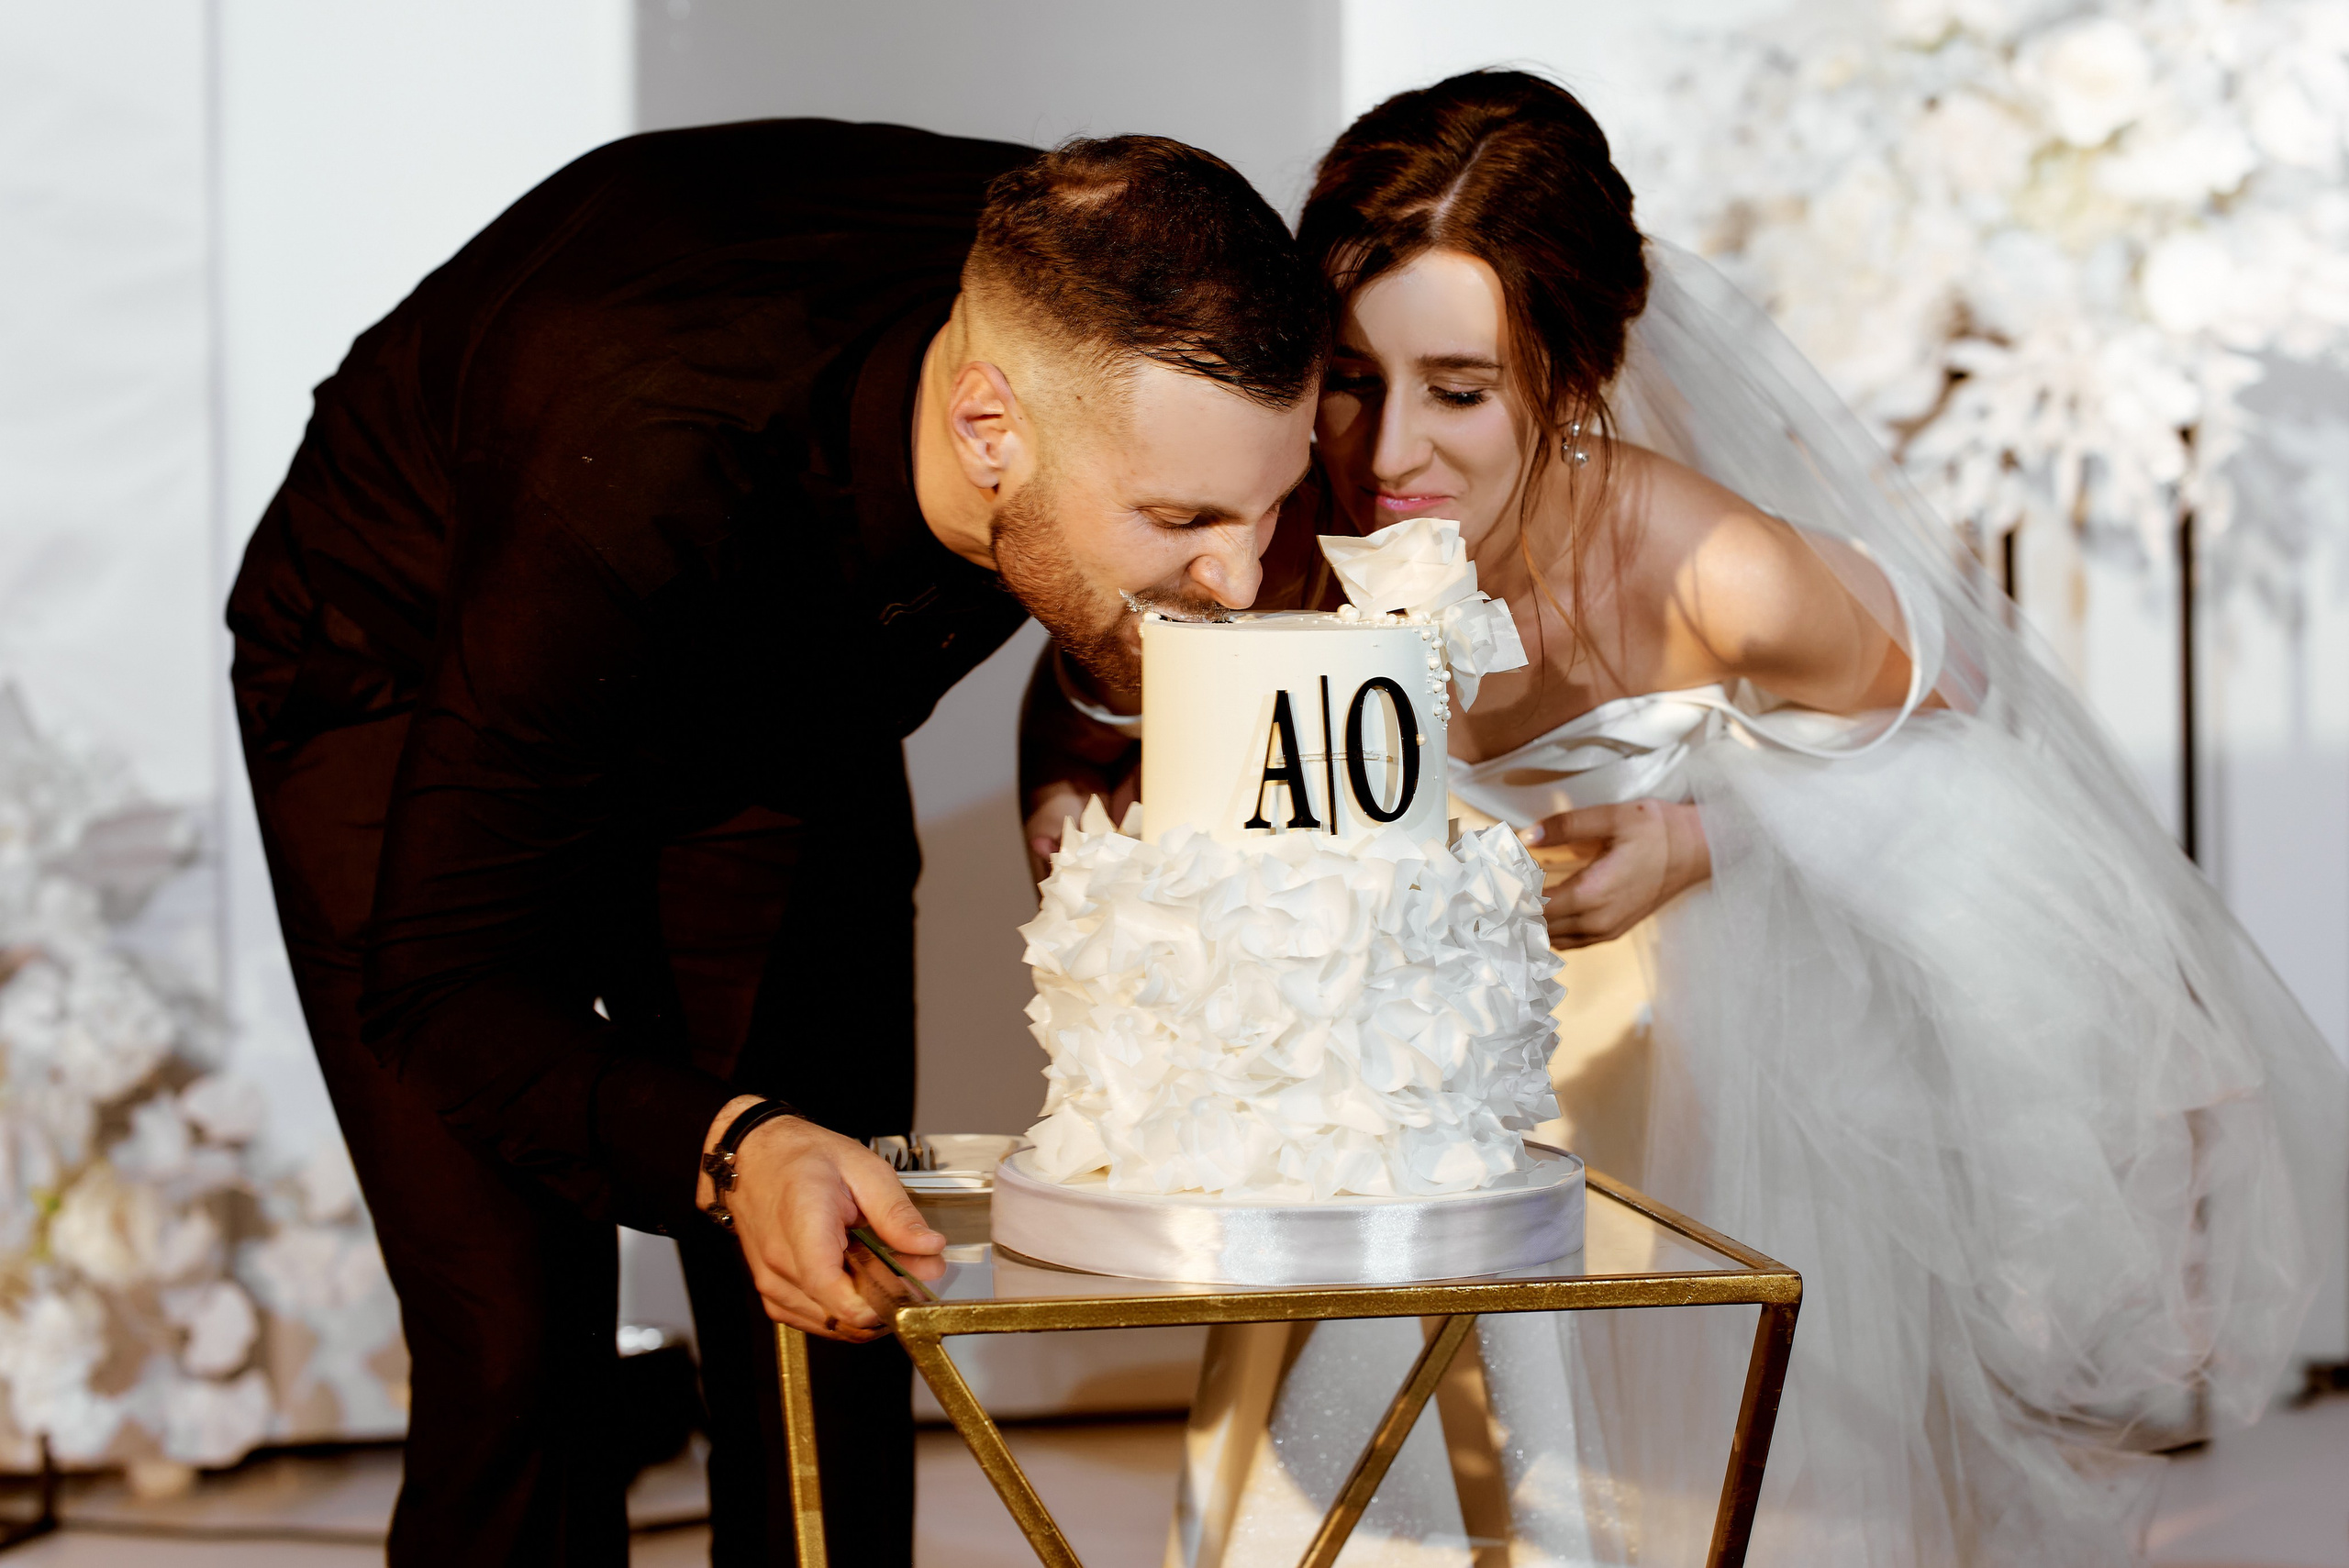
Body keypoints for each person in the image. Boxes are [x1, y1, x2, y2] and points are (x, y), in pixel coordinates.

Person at [1027, 72, 2347, 1567]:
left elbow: (1970, 755)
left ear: (1574, 374)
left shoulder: (1720, 573)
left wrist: (1704, 840)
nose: (1387, 452)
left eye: (1460, 389)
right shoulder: (1278, 524)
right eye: (1347, 375)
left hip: (1653, 1110)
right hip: (1374, 1112)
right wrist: (1081, 817)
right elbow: (1090, 688)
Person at [227, 119, 1322, 1567]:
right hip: (410, 660)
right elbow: (444, 980)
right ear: (990, 427)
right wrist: (727, 1140)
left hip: (779, 691)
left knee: (842, 1278)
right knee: (516, 1342)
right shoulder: (630, 469)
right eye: (1182, 518)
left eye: (1270, 500)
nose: (1240, 578)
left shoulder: (1108, 286)